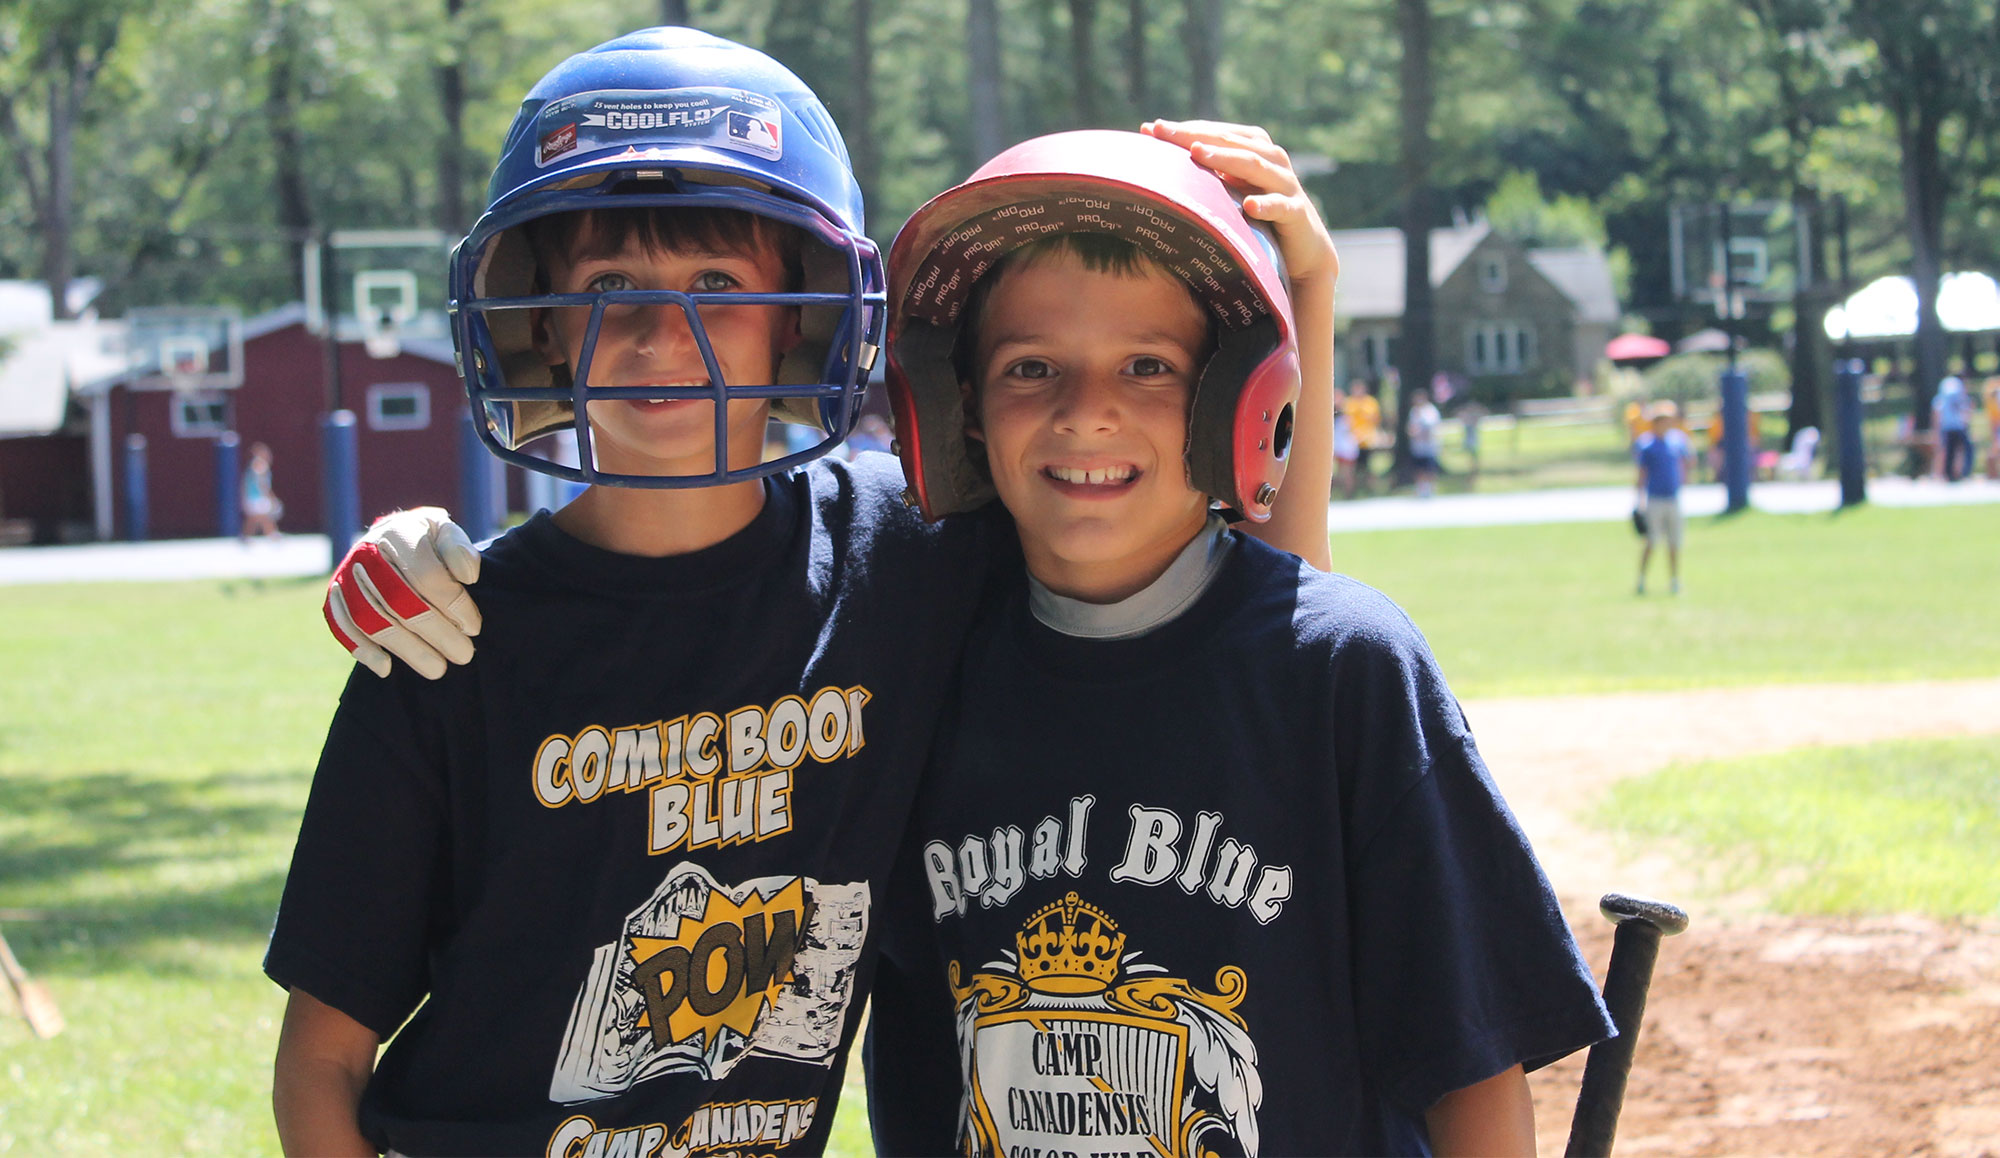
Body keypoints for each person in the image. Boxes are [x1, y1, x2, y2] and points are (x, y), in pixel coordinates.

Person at [283, 33, 1336, 1155]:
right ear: (536, 316)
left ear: (806, 309)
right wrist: (406, 545)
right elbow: (320, 1061)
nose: (658, 333)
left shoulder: (906, 553)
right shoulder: (450, 640)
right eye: (608, 288)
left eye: (718, 286)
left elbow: (1251, 611)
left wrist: (1306, 295)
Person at [864, 132, 1609, 1155]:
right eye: (1029, 368)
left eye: (1148, 367)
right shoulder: (921, 663)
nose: (1088, 412)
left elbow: (1468, 1060)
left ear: (1232, 405)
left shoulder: (1345, 668)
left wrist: (1308, 283)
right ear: (962, 407)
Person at [1633, 400, 1693, 595]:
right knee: (1652, 542)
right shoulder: (1647, 444)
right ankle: (1641, 579)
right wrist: (1639, 500)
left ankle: (1675, 580)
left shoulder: (1678, 439)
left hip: (1673, 498)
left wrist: (1686, 478)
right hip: (1655, 499)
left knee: (1674, 543)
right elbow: (1641, 474)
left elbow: (1689, 460)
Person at [1933, 374, 1974, 482]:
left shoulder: (1945, 392)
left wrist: (1937, 428)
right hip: (1957, 425)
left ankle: (1950, 474)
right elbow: (1965, 409)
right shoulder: (1958, 391)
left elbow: (1937, 410)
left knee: (1950, 450)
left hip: (1947, 425)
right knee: (1962, 449)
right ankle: (1962, 473)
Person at [1345, 378, 1382, 494]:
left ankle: (1371, 490)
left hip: (1367, 439)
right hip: (1352, 440)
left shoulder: (1371, 403)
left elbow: (1376, 419)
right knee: (1351, 468)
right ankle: (1351, 491)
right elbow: (1346, 420)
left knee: (1368, 466)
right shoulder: (1349, 403)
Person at [1406, 385, 1443, 498]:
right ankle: (1420, 489)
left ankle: (1431, 489)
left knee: (1430, 468)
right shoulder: (1413, 412)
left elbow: (1431, 427)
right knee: (1418, 468)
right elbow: (1411, 427)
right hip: (1417, 446)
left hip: (1429, 446)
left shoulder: (1430, 411)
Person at [240, 442, 282, 540]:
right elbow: (262, 485)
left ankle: (246, 536)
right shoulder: (260, 465)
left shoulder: (253, 465)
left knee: (256, 518)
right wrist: (270, 497)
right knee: (263, 517)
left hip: (252, 497)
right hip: (257, 498)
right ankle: (272, 534)